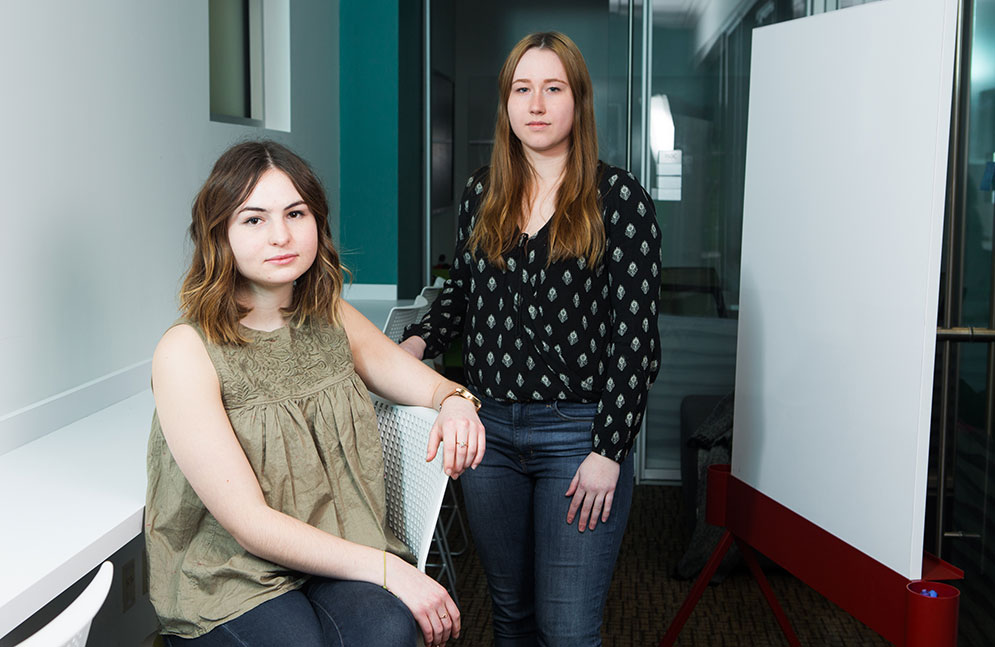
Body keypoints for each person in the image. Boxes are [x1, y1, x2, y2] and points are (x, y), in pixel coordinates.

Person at [145, 140, 486, 647]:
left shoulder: (330, 316)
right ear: (220, 234)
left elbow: (419, 380)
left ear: (317, 222)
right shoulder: (185, 350)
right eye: (254, 219)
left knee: (389, 631)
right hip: (235, 569)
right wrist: (391, 570)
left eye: (296, 213)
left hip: (338, 545)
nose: (281, 236)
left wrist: (456, 400)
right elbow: (249, 525)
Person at [400, 31, 662, 647]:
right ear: (507, 103)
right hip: (488, 434)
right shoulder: (481, 194)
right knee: (511, 617)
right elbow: (462, 299)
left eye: (553, 88)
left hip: (578, 436)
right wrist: (411, 346)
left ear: (578, 102)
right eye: (523, 89)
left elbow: (636, 341)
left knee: (567, 629)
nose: (536, 104)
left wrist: (609, 450)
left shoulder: (619, 199)